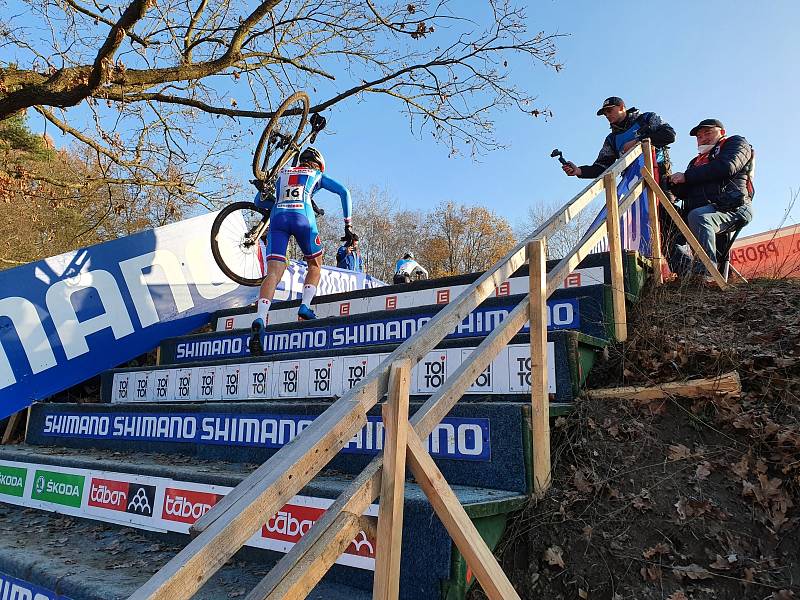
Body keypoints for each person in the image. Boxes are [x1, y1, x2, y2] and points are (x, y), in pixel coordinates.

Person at [250, 146, 354, 354]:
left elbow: (258, 201)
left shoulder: (282, 173)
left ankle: (260, 317)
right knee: (315, 265)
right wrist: (348, 225)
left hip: (278, 218)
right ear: (318, 165)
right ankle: (305, 306)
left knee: (273, 273)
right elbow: (344, 192)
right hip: (303, 217)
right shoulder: (316, 174)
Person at [561, 97, 681, 270]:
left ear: (622, 107)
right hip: (634, 187)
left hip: (659, 178)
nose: (607, 115)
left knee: (668, 221)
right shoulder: (612, 139)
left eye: (610, 110)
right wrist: (579, 170)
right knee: (646, 229)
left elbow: (669, 135)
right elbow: (602, 166)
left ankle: (690, 264)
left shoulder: (646, 118)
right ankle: (668, 271)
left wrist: (638, 140)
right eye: (605, 113)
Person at [667, 119, 754, 276]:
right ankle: (687, 275)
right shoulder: (695, 162)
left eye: (708, 132)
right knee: (666, 232)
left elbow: (727, 166)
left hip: (734, 207)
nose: (703, 138)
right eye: (699, 136)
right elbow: (687, 191)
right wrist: (673, 184)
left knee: (699, 216)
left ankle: (706, 274)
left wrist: (686, 176)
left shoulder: (736, 142)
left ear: (722, 132)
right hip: (704, 210)